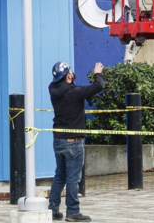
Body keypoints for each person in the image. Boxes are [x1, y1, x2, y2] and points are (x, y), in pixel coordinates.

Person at [48, 60, 105, 222]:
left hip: (58, 140)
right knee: (73, 178)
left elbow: (75, 90)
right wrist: (97, 73)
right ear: (68, 76)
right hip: (73, 142)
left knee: (60, 176)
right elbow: (99, 86)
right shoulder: (74, 92)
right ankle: (73, 211)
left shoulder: (53, 89)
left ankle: (52, 209)